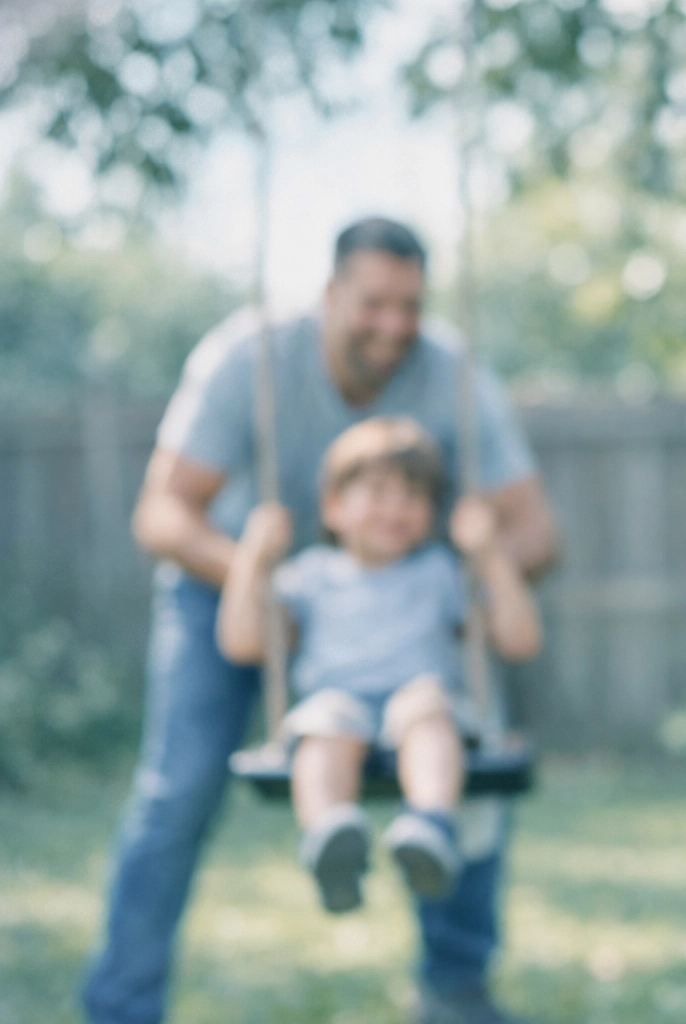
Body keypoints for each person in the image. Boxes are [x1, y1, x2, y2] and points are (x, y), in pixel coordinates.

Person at [83, 217, 558, 1024]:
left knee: (469, 737)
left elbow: (537, 530)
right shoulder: (249, 359)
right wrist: (259, 577)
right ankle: (122, 1007)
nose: (395, 326)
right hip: (238, 578)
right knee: (180, 786)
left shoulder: (451, 372)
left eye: (411, 305)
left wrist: (480, 564)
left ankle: (454, 986)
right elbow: (162, 514)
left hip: (411, 601)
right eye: (374, 304)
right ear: (330, 295)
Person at [217, 416, 542, 913]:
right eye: (377, 492)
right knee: (321, 724)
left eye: (412, 496)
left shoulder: (440, 572)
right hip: (341, 706)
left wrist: (490, 552)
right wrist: (251, 560)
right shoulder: (310, 575)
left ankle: (429, 827)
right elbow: (241, 644)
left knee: (428, 709)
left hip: (417, 702)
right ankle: (331, 838)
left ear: (432, 511)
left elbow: (520, 641)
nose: (395, 508)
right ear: (333, 506)